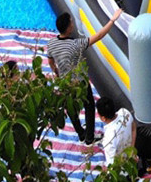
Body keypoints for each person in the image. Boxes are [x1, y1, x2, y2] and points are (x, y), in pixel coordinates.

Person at [46, 8, 123, 146]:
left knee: (71, 107)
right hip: (80, 82)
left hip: (65, 83)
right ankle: (89, 138)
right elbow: (99, 35)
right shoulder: (76, 45)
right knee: (89, 106)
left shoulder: (51, 44)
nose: (73, 24)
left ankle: (81, 134)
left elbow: (51, 62)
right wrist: (113, 20)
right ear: (68, 28)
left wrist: (56, 73)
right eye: (71, 23)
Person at [96, 95, 151, 182]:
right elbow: (134, 128)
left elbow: (112, 166)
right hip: (131, 161)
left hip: (122, 171)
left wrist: (106, 176)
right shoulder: (124, 113)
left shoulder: (109, 139)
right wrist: (132, 150)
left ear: (102, 118)